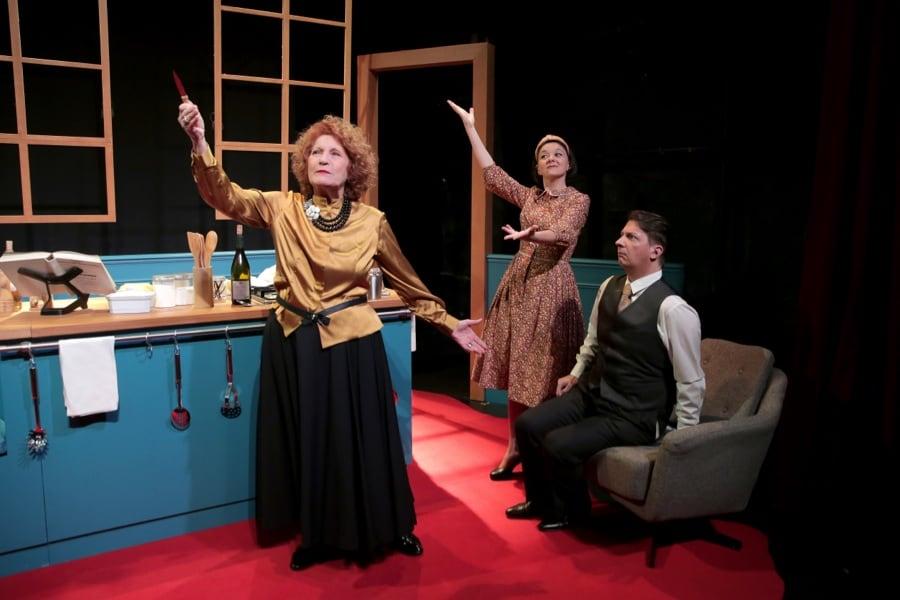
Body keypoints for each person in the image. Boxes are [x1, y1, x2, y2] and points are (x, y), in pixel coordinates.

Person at [177, 103, 487, 570]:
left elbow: (409, 284)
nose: (323, 158)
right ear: (304, 164)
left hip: (353, 345)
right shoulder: (282, 207)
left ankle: (389, 526)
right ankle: (316, 535)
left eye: (334, 153)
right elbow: (225, 196)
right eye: (315, 152)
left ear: (352, 168)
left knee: (365, 440)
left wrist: (446, 322)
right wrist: (200, 141)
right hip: (293, 342)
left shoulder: (371, 221)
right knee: (311, 441)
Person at [506, 210, 705, 531]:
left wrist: (683, 438)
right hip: (593, 392)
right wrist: (576, 372)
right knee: (527, 425)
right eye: (621, 234)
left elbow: (690, 381)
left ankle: (573, 513)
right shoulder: (609, 286)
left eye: (631, 237)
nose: (619, 241)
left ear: (655, 251)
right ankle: (540, 501)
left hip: (633, 413)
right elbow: (593, 340)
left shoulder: (673, 309)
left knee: (558, 444)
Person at [447, 100, 590, 481]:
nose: (551, 158)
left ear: (569, 163)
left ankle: (546, 449)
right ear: (538, 166)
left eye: (558, 153)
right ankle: (514, 446)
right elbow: (493, 175)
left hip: (552, 287)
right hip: (520, 286)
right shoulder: (529, 196)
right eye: (544, 155)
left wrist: (532, 234)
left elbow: (564, 234)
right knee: (517, 366)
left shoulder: (579, 200)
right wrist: (471, 128)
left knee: (545, 370)